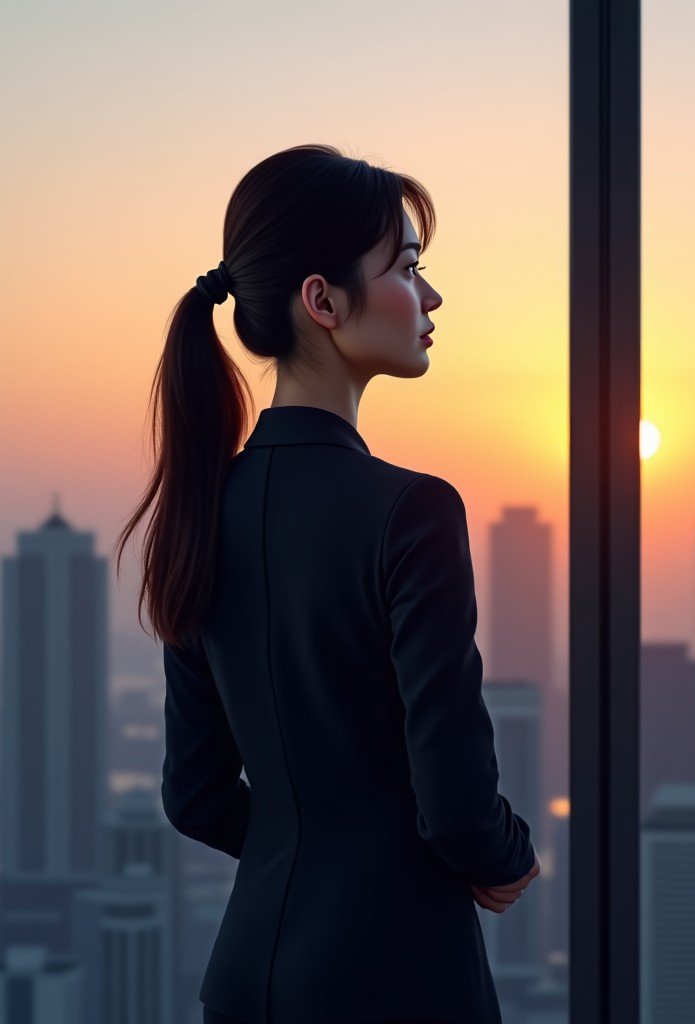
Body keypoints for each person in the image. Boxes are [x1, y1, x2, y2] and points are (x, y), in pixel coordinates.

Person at [114, 143, 541, 1024]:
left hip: (245, 979)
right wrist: (508, 858)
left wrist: (302, 845)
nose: (431, 298)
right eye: (409, 268)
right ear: (323, 301)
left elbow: (194, 795)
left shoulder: (200, 507)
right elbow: (456, 804)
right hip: (398, 982)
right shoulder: (413, 512)